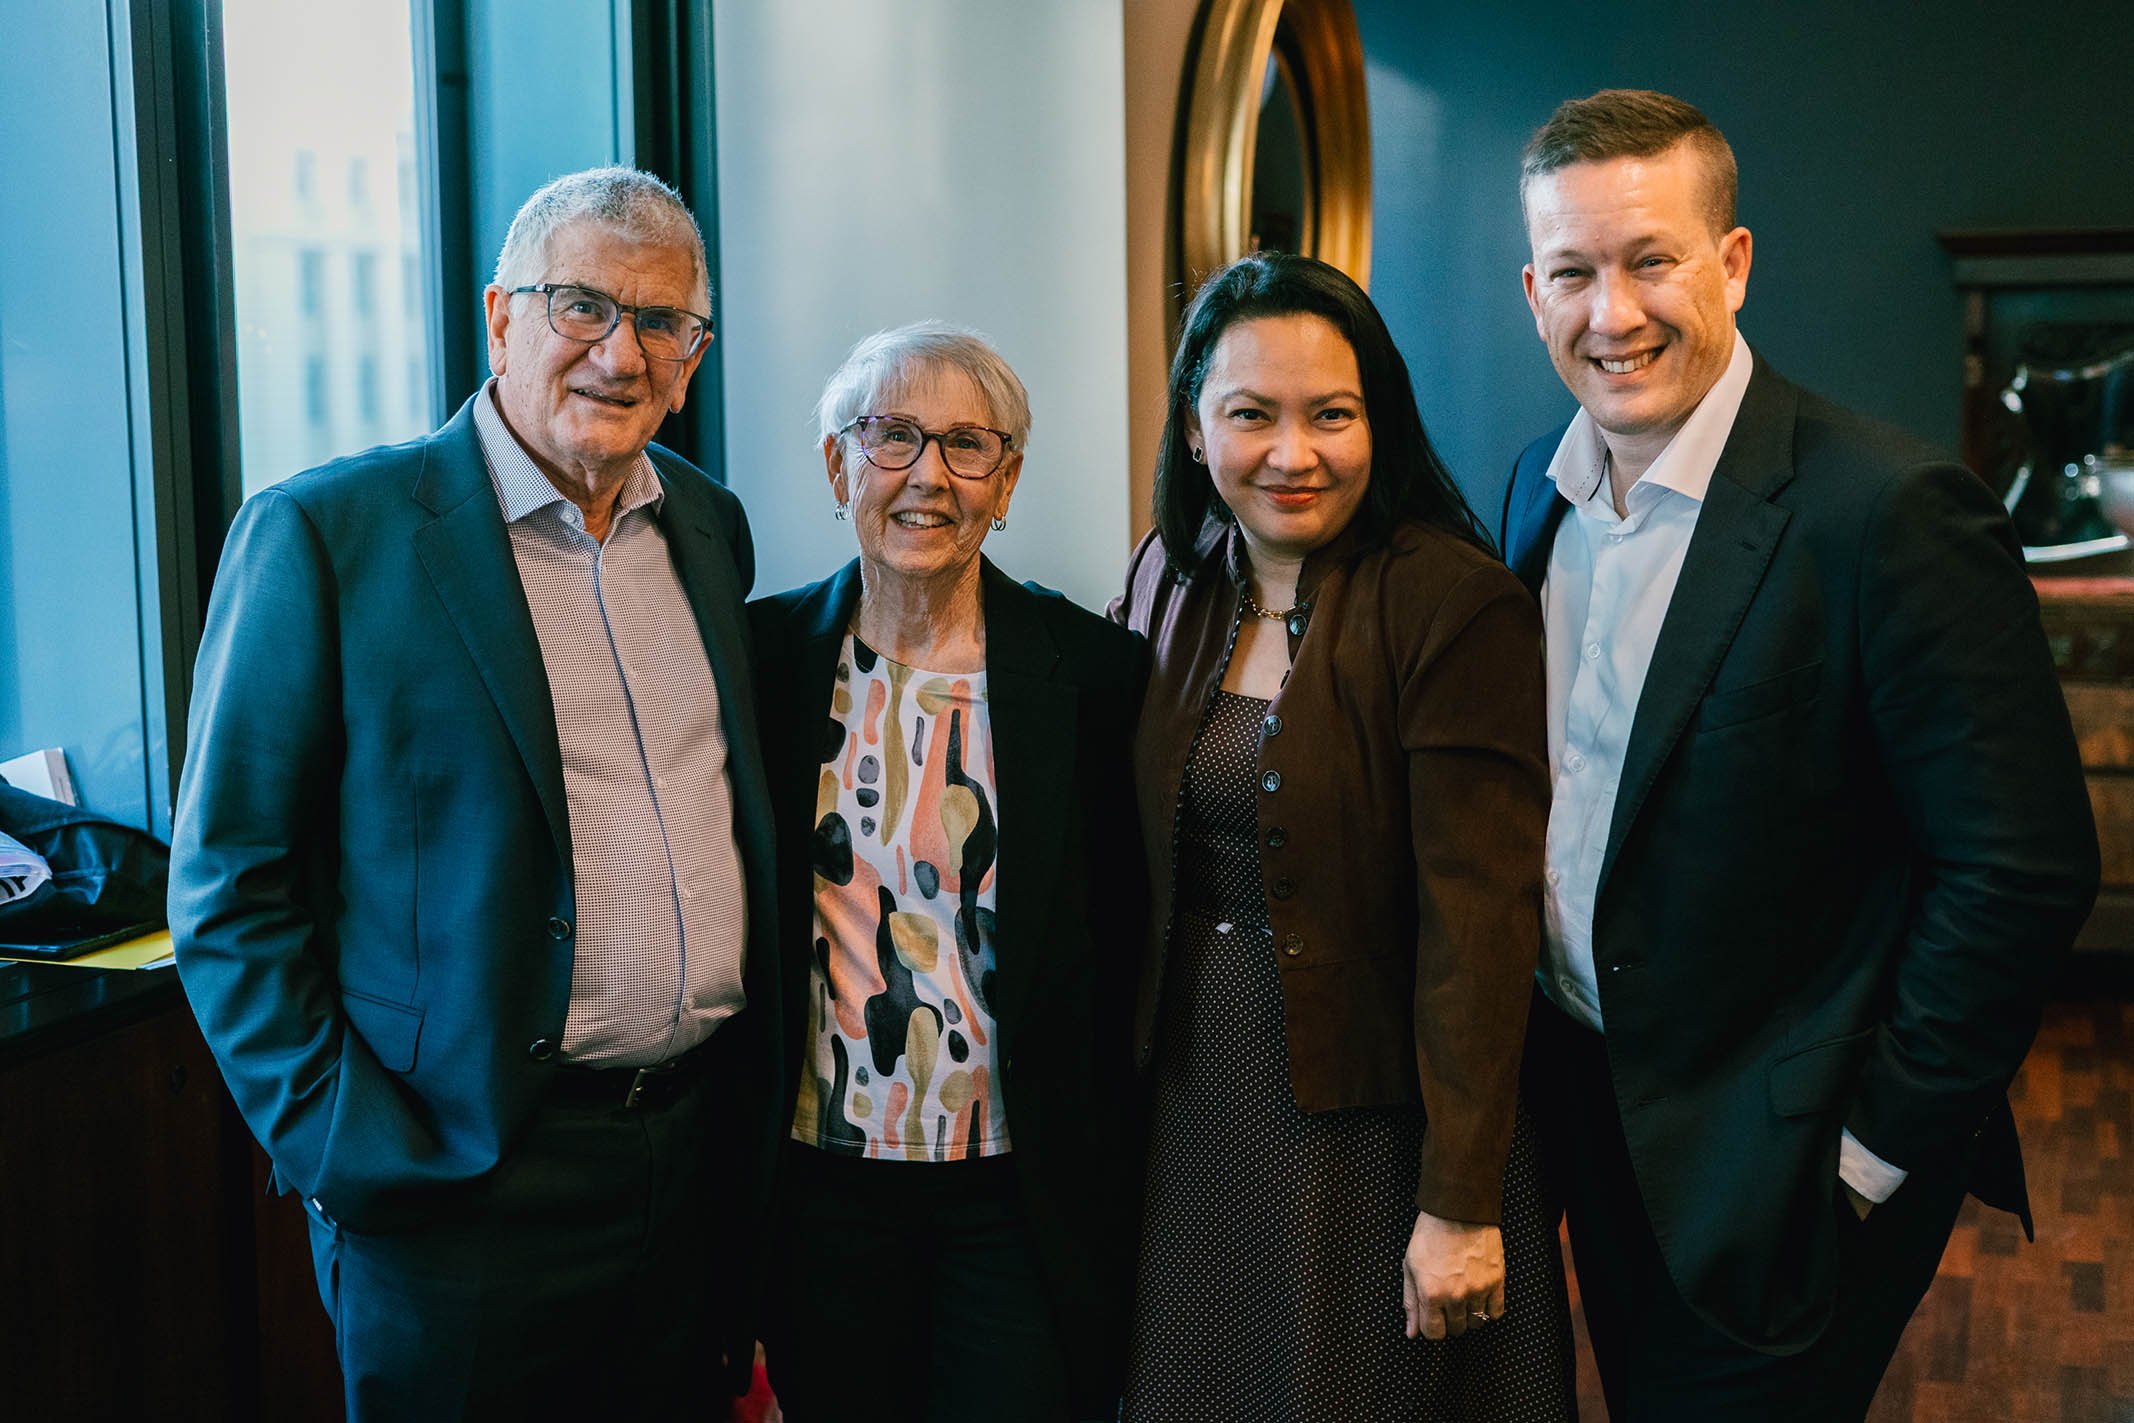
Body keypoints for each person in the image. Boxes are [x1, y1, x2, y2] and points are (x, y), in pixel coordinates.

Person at [1502, 89, 2101, 1420]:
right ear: (1528, 287)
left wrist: (1870, 1151)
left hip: (1784, 1147)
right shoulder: (1526, 498)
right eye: (1572, 272)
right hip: (1595, 1108)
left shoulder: (1882, 510)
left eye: (1651, 259)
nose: (1612, 312)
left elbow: (2017, 867)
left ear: (1732, 262)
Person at [169, 167, 781, 1418]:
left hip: (689, 1159)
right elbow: (229, 889)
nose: (622, 351)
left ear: (694, 354)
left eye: (662, 323)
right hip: (463, 1181)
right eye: (582, 307)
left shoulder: (710, 530)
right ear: (499, 314)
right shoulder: (328, 536)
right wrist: (351, 1155)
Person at [1115, 251, 1576, 1420]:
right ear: (1193, 426)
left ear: (1381, 418)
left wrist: (1461, 1199)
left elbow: (1481, 921)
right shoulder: (1172, 575)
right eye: (1250, 415)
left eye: (1332, 414)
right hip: (1186, 1093)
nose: (1292, 453)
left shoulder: (1452, 602)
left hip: (1373, 1111)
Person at [749, 321, 1147, 1423]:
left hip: (1017, 1193)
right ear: (839, 466)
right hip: (820, 1182)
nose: (927, 474)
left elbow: (1127, 938)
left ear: (1005, 481)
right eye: (891, 437)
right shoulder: (758, 663)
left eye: (967, 445)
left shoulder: (1096, 678)